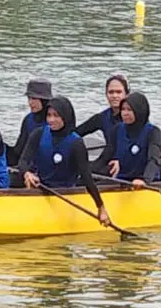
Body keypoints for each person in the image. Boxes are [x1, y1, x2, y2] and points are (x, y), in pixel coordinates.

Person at [20, 96, 111, 226]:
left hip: (65, 191)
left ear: (66, 117)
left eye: (56, 116)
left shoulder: (76, 143)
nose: (51, 120)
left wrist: (101, 207)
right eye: (49, 115)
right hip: (41, 186)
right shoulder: (38, 134)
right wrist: (26, 173)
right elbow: (23, 161)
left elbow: (86, 177)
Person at [91, 92, 161, 187]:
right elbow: (104, 158)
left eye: (129, 110)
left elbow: (153, 160)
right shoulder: (117, 130)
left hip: (144, 181)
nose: (125, 113)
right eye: (123, 109)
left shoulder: (153, 132)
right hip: (122, 179)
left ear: (139, 111)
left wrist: (145, 180)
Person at [6, 78, 53, 166]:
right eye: (29, 98)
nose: (30, 103)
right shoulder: (28, 119)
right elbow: (19, 149)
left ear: (44, 100)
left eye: (34, 98)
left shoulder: (54, 122)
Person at [76, 74, 129, 143]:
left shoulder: (134, 117)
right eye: (111, 92)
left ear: (127, 94)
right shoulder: (103, 117)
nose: (114, 96)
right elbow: (76, 133)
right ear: (106, 94)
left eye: (119, 92)